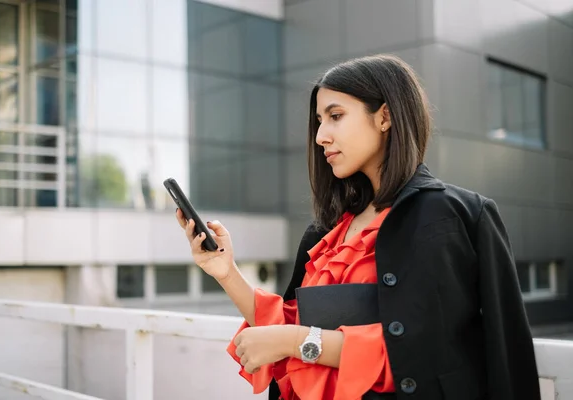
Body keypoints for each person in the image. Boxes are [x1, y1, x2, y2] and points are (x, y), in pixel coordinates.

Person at [175, 54, 541, 400]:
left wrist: (295, 340)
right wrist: (225, 271)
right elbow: (288, 323)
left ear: (384, 117)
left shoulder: (452, 217)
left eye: (335, 116)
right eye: (319, 121)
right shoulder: (325, 233)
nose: (320, 136)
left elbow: (428, 349)